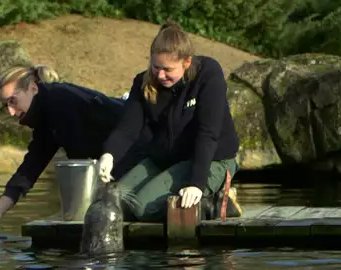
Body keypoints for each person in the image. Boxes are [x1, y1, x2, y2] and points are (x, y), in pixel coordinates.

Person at [97, 20, 243, 222]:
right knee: (114, 201)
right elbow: (128, 129)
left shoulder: (208, 73)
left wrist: (196, 184)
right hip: (167, 159)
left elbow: (208, 133)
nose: (160, 75)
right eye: (156, 67)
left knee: (142, 208)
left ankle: (213, 203)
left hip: (211, 159)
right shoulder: (143, 82)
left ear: (187, 62)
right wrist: (109, 154)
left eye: (168, 69)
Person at [0, 65, 148, 237]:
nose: (11, 112)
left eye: (13, 101)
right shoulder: (45, 114)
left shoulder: (60, 101)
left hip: (141, 149)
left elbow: (80, 156)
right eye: (5, 105)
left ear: (33, 88)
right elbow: (29, 169)